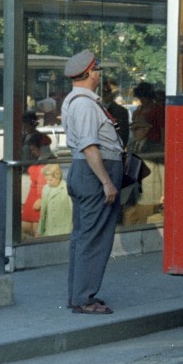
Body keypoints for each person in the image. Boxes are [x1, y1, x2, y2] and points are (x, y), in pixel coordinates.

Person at [61, 49, 126, 314]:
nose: (100, 75)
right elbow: (90, 147)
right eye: (97, 70)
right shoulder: (85, 105)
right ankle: (85, 299)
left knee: (83, 236)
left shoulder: (75, 101)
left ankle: (78, 295)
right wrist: (106, 182)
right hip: (94, 173)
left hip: (84, 173)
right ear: (88, 74)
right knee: (94, 238)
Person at [38, 164, 73, 236]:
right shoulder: (46, 188)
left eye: (50, 180)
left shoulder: (66, 188)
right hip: (49, 230)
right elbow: (43, 213)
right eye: (46, 180)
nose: (48, 182)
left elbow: (72, 210)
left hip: (64, 230)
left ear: (58, 176)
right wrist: (40, 231)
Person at [102, 79, 130, 148]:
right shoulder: (93, 107)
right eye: (104, 90)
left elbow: (122, 135)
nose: (106, 93)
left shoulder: (121, 111)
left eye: (109, 91)